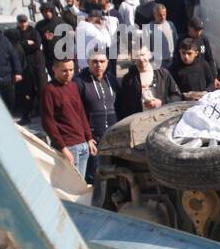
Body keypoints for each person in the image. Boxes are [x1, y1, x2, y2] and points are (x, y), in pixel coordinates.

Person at [41, 56, 94, 179]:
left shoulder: (73, 86)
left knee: (81, 184)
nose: (68, 73)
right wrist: (62, 147)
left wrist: (89, 138)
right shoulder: (49, 90)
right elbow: (48, 121)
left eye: (71, 70)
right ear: (54, 69)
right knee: (72, 186)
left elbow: (81, 113)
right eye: (64, 70)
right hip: (68, 146)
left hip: (82, 144)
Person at [76, 50, 118, 185]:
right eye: (95, 62)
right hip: (93, 137)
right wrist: (87, 137)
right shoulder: (79, 82)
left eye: (102, 61)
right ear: (88, 63)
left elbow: (120, 105)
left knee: (114, 172)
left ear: (107, 63)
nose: (98, 65)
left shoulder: (111, 80)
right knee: (95, 174)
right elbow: (78, 112)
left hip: (112, 135)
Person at [115, 47, 183, 121]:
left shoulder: (163, 74)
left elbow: (177, 96)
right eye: (137, 56)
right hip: (139, 123)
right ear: (131, 57)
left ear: (149, 55)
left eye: (143, 55)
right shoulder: (128, 79)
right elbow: (123, 106)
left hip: (161, 120)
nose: (141, 59)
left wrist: (161, 102)